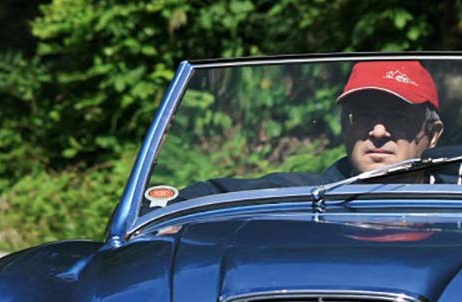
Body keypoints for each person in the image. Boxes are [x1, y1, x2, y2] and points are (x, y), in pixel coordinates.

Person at [172, 61, 446, 203]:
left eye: (398, 117)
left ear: (432, 134)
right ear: (345, 126)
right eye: (363, 115)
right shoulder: (302, 196)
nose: (377, 131)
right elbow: (197, 198)